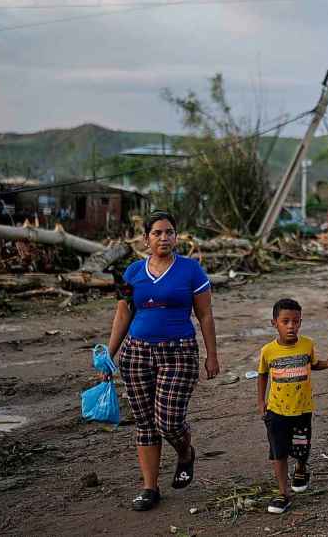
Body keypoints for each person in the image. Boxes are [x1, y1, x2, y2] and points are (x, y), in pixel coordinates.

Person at [106, 211, 220, 512]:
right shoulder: (131, 272)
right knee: (145, 423)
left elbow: (205, 314)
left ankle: (185, 452)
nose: (164, 238)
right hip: (136, 353)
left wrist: (212, 355)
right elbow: (123, 313)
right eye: (157, 233)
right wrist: (109, 354)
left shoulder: (191, 271)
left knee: (168, 421)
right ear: (146, 239)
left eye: (170, 232)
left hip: (179, 352)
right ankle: (149, 487)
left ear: (177, 236)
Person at [257, 298, 328, 514]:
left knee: (301, 447)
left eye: (296, 321)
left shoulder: (307, 344)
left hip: (302, 410)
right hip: (276, 411)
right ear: (275, 323)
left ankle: (301, 467)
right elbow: (262, 375)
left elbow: (314, 364)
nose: (291, 326)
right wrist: (260, 401)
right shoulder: (268, 351)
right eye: (286, 321)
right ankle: (283, 493)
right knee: (278, 451)